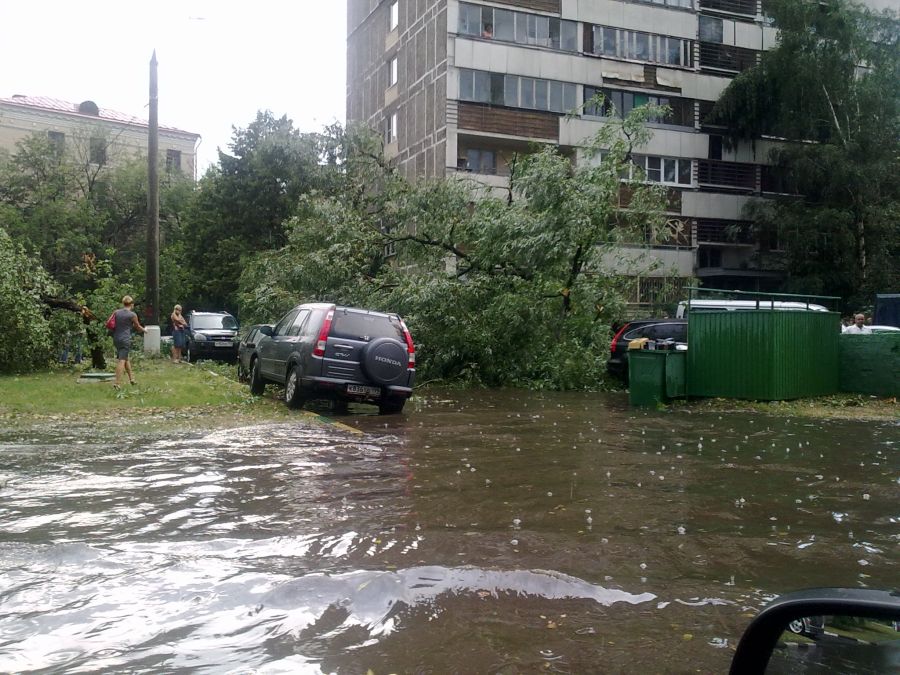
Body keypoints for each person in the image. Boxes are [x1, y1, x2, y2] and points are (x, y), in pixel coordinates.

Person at [112, 295, 146, 388]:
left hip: (116, 338)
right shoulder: (132, 315)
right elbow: (138, 327)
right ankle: (117, 383)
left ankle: (132, 379)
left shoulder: (116, 312)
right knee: (121, 360)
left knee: (125, 358)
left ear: (123, 303)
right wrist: (145, 330)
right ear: (132, 304)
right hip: (125, 339)